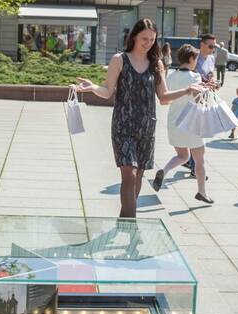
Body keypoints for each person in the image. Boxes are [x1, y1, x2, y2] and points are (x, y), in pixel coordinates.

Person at [75, 19, 204, 217]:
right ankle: (131, 225)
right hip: (123, 126)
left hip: (146, 128)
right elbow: (108, 91)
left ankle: (125, 219)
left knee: (138, 179)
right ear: (134, 36)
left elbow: (163, 98)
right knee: (129, 176)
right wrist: (92, 87)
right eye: (144, 38)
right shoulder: (120, 59)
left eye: (152, 39)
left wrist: (187, 91)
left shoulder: (156, 64)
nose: (148, 43)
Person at [151, 44, 212, 204]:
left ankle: (164, 171)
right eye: (196, 59)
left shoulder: (171, 76)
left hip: (174, 123)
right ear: (191, 59)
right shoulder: (195, 77)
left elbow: (165, 100)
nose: (196, 62)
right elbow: (199, 100)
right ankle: (202, 192)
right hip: (191, 123)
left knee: (183, 155)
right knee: (199, 160)